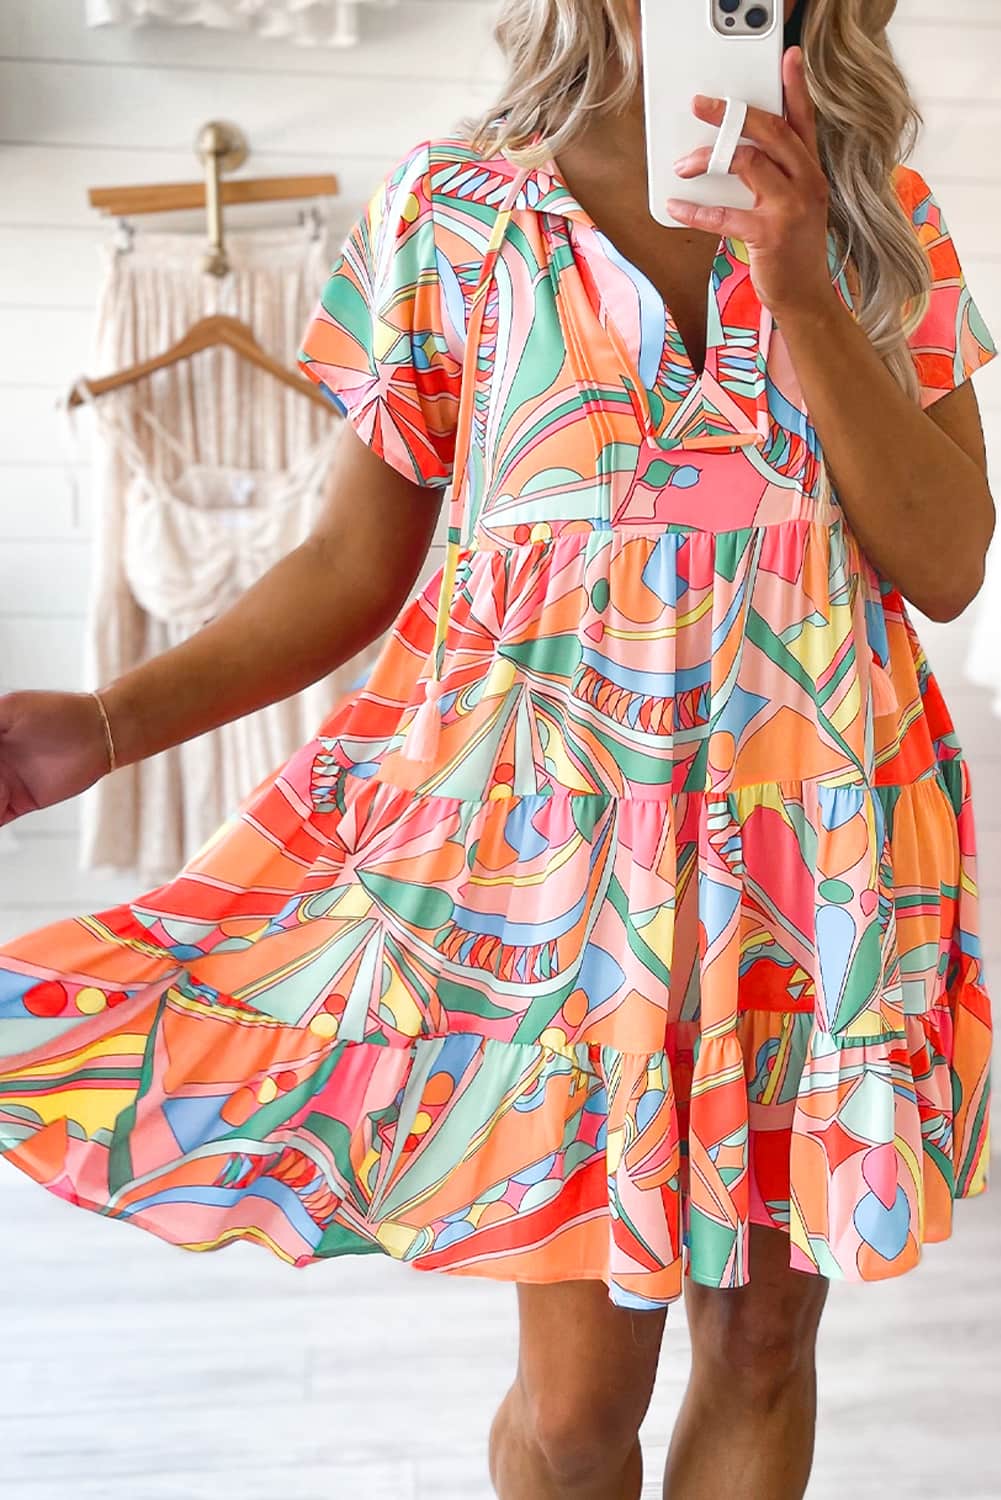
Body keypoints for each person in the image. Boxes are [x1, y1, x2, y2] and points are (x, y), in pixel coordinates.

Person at [0, 1, 997, 1496]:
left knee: (765, 1346)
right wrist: (111, 719)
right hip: (558, 878)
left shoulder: (874, 217)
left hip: (821, 854)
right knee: (575, 1410)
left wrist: (798, 292)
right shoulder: (457, 211)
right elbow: (351, 564)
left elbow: (945, 560)